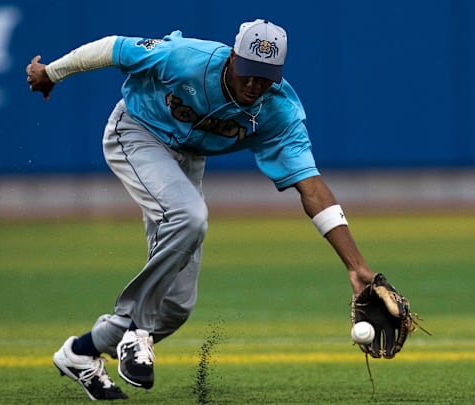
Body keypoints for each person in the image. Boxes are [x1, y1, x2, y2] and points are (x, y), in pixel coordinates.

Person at [26, 19, 377, 401]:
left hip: (187, 159)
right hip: (137, 132)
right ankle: (137, 333)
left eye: (266, 76)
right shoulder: (186, 58)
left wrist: (356, 266)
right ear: (232, 57)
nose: (255, 84)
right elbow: (113, 47)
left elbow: (311, 186)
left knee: (176, 306)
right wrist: (51, 73)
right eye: (249, 71)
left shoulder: (279, 111)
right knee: (190, 216)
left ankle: (80, 353)